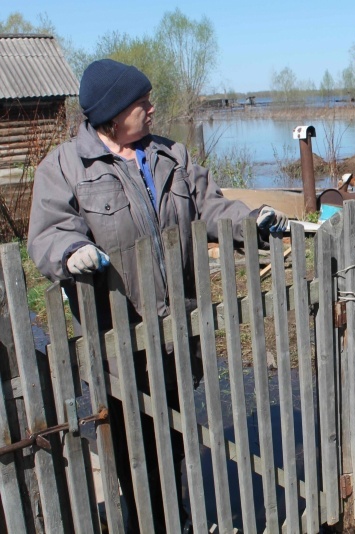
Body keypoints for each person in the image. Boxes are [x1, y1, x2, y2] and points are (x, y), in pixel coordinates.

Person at [27, 59, 288, 531]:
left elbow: (212, 205)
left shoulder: (171, 155)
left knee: (179, 433)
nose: (151, 109)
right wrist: (71, 250)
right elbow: (47, 232)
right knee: (133, 444)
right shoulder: (65, 167)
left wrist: (252, 219)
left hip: (178, 329)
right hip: (120, 337)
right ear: (112, 113)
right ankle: (148, 520)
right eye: (141, 102)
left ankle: (181, 519)